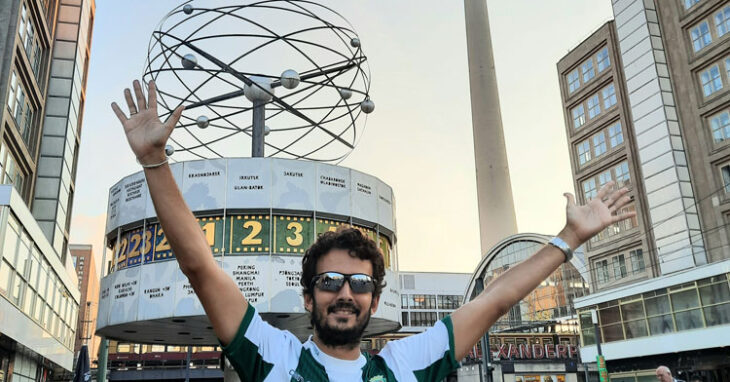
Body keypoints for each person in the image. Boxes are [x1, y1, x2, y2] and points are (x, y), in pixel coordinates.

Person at [111, 80, 636, 382]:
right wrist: (157, 162)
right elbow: (200, 265)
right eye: (331, 281)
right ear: (308, 293)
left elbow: (495, 300)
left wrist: (567, 241)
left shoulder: (403, 366)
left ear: (375, 297)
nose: (345, 293)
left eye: (359, 284)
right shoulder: (277, 358)